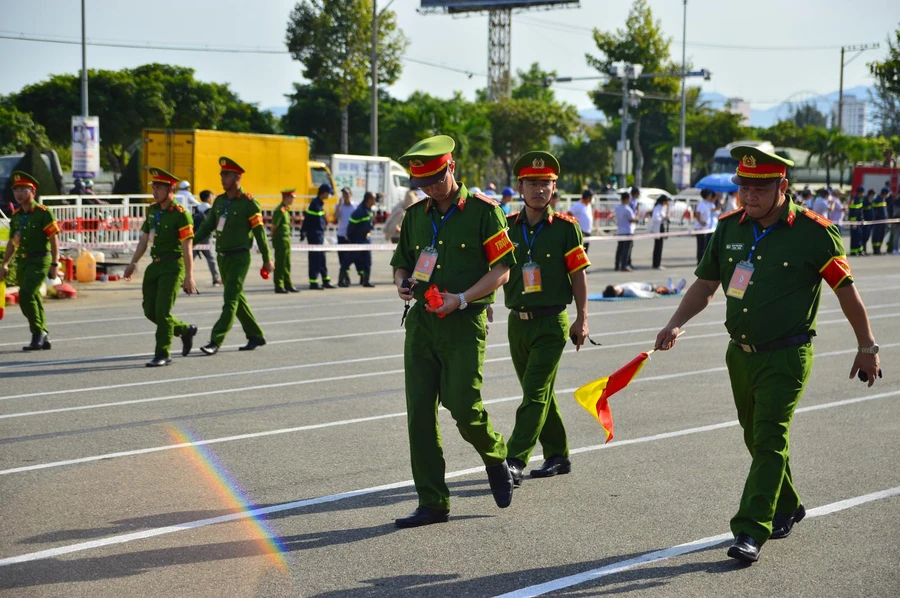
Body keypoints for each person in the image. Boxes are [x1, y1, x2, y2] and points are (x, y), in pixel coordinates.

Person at [654, 145, 881, 564]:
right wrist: (675, 322)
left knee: (771, 435)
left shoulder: (814, 232)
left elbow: (847, 293)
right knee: (756, 438)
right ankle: (787, 504)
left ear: (783, 186)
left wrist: (866, 346)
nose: (749, 196)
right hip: (739, 355)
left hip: (787, 355)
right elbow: (705, 286)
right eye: (744, 187)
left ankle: (750, 529)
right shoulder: (729, 228)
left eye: (760, 188)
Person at [391, 134, 516, 527]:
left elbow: (502, 269)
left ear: (452, 168)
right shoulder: (415, 216)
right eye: (422, 182)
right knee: (420, 416)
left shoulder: (483, 212)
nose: (429, 188)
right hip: (422, 327)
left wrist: (461, 299)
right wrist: (403, 283)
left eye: (435, 179)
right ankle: (432, 501)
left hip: (463, 323)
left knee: (463, 406)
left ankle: (496, 457)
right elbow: (402, 262)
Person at [502, 151, 590, 487]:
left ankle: (514, 461)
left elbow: (579, 276)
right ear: (520, 186)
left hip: (552, 322)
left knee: (535, 393)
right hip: (517, 322)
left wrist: (582, 319)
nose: (540, 190)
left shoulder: (567, 229)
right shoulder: (506, 226)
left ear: (554, 188)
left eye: (546, 183)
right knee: (538, 392)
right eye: (533, 183)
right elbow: (494, 269)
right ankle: (557, 454)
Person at [193, 157, 273, 355]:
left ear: (237, 177)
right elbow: (206, 227)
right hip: (223, 257)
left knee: (230, 299)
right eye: (221, 174)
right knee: (237, 298)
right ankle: (255, 335)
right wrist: (188, 244)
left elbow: (260, 233)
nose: (222, 178)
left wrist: (266, 258)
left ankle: (215, 340)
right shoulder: (219, 202)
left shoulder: (249, 203)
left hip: (239, 257)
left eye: (226, 175)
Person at [123, 168, 198, 367]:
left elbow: (187, 247)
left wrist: (189, 276)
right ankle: (184, 329)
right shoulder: (153, 210)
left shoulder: (181, 215)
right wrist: (133, 263)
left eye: (159, 188)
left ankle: (163, 353)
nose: (155, 192)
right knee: (150, 311)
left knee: (163, 312)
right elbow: (144, 239)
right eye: (154, 188)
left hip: (173, 266)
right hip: (154, 266)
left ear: (171, 189)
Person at [0, 171, 60, 351]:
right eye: (16, 190)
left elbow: (54, 239)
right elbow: (13, 243)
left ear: (32, 192)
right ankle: (43, 333)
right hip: (23, 262)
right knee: (32, 296)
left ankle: (37, 333)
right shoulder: (17, 216)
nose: (19, 194)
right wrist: (5, 263)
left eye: (23, 190)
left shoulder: (43, 213)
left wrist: (55, 264)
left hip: (40, 259)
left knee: (26, 294)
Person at [301, 184, 334, 290]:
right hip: (314, 236)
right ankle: (313, 282)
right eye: (328, 193)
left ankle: (325, 280)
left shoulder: (319, 204)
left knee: (322, 258)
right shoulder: (314, 204)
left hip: (320, 235)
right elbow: (308, 220)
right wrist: (303, 231)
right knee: (315, 259)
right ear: (323, 193)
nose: (329, 195)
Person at [346, 191, 377, 287]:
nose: (375, 201)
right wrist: (351, 239)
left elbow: (369, 223)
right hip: (357, 240)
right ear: (369, 200)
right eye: (374, 199)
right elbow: (351, 227)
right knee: (349, 261)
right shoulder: (359, 211)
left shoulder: (369, 210)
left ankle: (365, 281)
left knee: (367, 261)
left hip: (366, 240)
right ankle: (342, 279)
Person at [272, 189, 299, 293]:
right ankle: (279, 284)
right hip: (280, 240)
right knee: (280, 263)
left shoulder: (286, 210)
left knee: (287, 263)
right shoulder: (280, 210)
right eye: (292, 198)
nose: (293, 200)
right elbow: (274, 226)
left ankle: (288, 284)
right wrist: (274, 238)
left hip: (286, 240)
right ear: (286, 198)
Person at [192, 190, 221, 286]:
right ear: (208, 197)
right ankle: (216, 279)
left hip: (195, 237)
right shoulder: (211, 210)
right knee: (211, 258)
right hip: (206, 237)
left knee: (190, 259)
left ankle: (183, 278)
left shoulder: (196, 209)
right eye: (212, 196)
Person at [334, 187, 356, 287]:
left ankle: (345, 277)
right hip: (341, 235)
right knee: (341, 258)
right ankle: (345, 277)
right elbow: (335, 218)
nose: (345, 196)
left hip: (350, 236)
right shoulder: (339, 206)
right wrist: (339, 205)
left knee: (348, 259)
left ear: (351, 194)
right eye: (343, 194)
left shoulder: (355, 206)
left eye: (347, 194)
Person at [614, 192, 637, 272]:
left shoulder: (617, 207)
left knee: (619, 249)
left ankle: (617, 265)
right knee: (626, 250)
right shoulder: (627, 209)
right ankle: (623, 265)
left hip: (620, 230)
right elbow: (632, 219)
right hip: (627, 230)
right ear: (627, 199)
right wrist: (638, 215)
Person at [694, 188, 717, 264]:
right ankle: (699, 262)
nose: (711, 196)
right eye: (710, 194)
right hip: (700, 228)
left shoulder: (707, 203)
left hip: (705, 228)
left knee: (704, 246)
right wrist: (701, 222)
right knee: (701, 246)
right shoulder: (702, 204)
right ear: (707, 195)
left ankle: (702, 261)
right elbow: (697, 214)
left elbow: (713, 210)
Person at [647, 195, 671, 269]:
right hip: (658, 228)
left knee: (659, 246)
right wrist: (663, 218)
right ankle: (656, 264)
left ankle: (657, 263)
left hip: (661, 227)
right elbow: (656, 218)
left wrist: (668, 208)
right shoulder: (657, 208)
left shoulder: (662, 208)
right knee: (658, 246)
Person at [569, 189, 594, 253]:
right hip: (581, 232)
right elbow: (569, 214)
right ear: (587, 197)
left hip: (588, 231)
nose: (592, 199)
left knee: (585, 250)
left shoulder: (588, 205)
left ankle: (585, 263)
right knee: (580, 251)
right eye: (591, 197)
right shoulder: (577, 205)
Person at [602, 279, 686, 298]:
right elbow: (642, 294)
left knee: (664, 287)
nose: (616, 285)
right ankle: (675, 290)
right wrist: (654, 295)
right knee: (666, 290)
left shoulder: (621, 287)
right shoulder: (630, 292)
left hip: (649, 286)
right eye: (615, 287)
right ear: (617, 292)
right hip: (653, 289)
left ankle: (669, 288)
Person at [870, 187, 888, 255]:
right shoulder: (876, 200)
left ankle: (879, 249)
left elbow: (885, 211)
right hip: (878, 221)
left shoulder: (883, 199)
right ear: (883, 193)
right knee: (876, 236)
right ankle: (876, 250)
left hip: (883, 221)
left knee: (881, 235)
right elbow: (875, 211)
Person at [847, 187, 865, 256]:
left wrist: (862, 219)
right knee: (855, 237)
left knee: (859, 236)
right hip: (854, 222)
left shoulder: (859, 199)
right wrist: (853, 222)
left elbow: (860, 211)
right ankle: (853, 251)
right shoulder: (854, 200)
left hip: (858, 221)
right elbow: (852, 212)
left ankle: (859, 250)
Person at [861, 188, 875, 253]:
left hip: (870, 222)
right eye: (872, 195)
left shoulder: (870, 201)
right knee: (864, 236)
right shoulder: (865, 201)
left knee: (867, 236)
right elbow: (862, 211)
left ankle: (865, 250)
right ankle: (863, 250)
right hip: (866, 222)